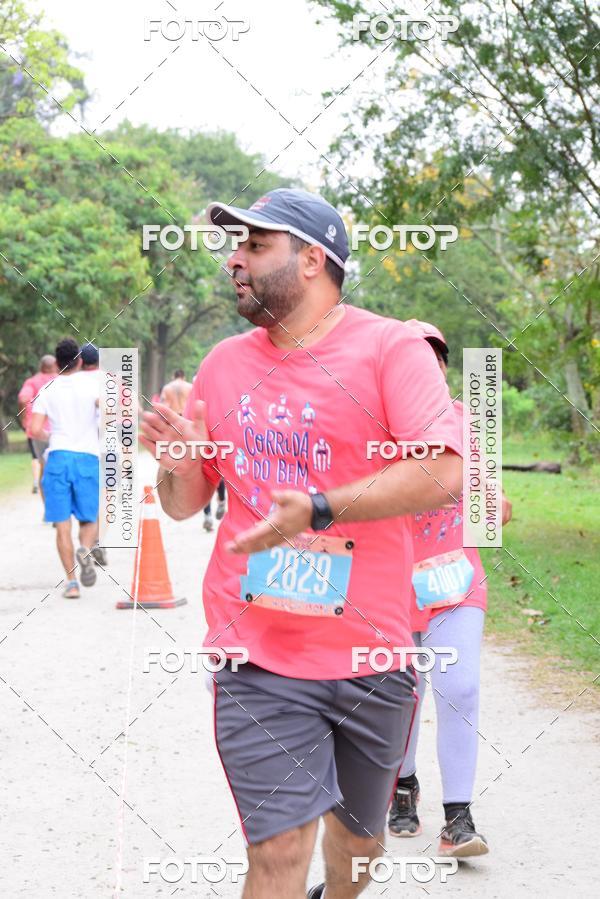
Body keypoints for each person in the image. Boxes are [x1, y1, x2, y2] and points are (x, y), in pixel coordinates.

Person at [141, 188, 464, 899]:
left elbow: (443, 471)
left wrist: (320, 506)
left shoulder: (391, 348)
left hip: (373, 647)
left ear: (313, 259)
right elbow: (184, 502)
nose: (236, 260)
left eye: (256, 246)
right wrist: (178, 464)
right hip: (256, 650)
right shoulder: (224, 363)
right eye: (237, 246)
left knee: (358, 847)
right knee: (281, 848)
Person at [388, 320, 512, 859]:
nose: (429, 366)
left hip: (456, 578)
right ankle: (404, 785)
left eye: (436, 356)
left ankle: (458, 818)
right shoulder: (375, 427)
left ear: (443, 368)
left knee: (459, 687)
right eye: (416, 359)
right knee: (402, 695)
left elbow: (493, 499)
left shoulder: (468, 424)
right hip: (390, 584)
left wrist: (496, 504)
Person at [30, 338, 100, 599]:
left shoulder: (47, 390)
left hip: (58, 457)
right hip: (87, 457)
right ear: (80, 361)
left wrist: (55, 438)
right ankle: (85, 548)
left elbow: (35, 429)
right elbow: (109, 412)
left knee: (62, 525)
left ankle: (71, 583)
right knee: (89, 518)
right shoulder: (92, 386)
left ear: (56, 363)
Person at [79, 342, 107, 567]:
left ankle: (90, 542)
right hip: (107, 442)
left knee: (89, 494)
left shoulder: (73, 380)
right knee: (105, 494)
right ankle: (98, 541)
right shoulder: (110, 379)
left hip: (82, 445)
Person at [17, 354, 57, 499]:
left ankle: (47, 509)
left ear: (41, 367)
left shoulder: (32, 382)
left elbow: (23, 398)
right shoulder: (60, 380)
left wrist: (24, 418)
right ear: (56, 365)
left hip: (37, 430)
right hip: (59, 430)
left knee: (43, 467)